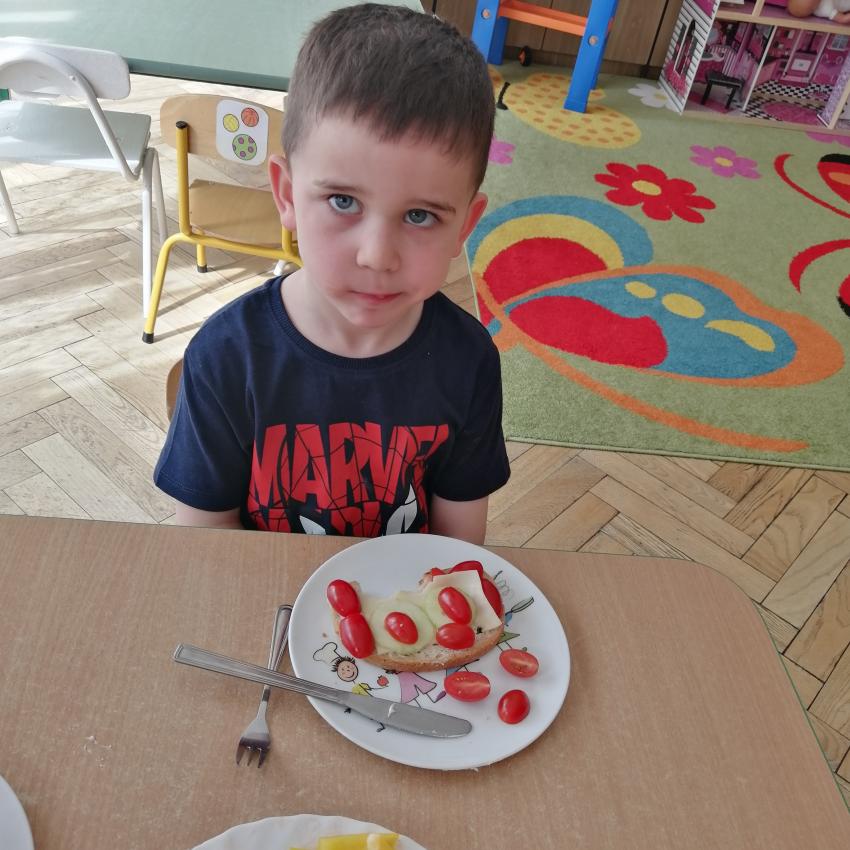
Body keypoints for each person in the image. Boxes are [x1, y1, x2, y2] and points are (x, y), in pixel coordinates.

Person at [154, 3, 510, 543]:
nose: (377, 255)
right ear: (286, 195)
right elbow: (205, 544)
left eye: (420, 216)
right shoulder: (226, 358)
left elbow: (458, 548)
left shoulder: (469, 361)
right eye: (343, 201)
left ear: (465, 225)